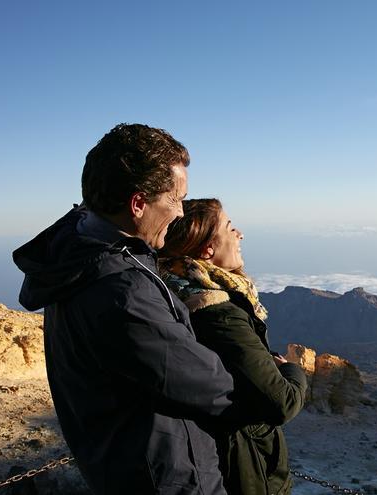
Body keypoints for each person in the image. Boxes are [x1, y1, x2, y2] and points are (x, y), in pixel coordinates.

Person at [13, 124, 236, 494]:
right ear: (137, 204)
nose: (181, 212)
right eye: (177, 198)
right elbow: (206, 385)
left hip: (125, 469)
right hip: (164, 478)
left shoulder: (79, 259)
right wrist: (270, 380)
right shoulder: (119, 289)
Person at [158, 198, 308, 495]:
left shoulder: (170, 291)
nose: (239, 234)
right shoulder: (217, 314)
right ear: (207, 250)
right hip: (244, 468)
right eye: (229, 227)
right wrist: (292, 369)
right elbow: (282, 403)